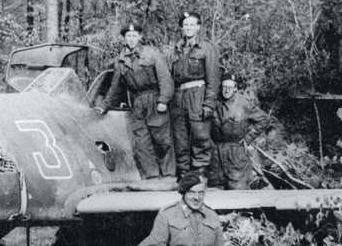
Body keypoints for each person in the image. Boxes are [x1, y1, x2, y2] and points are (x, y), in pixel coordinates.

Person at [98, 21, 175, 179]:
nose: (131, 39)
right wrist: (104, 105)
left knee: (162, 140)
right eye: (128, 36)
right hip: (137, 103)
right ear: (124, 38)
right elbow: (115, 86)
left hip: (155, 99)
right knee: (142, 143)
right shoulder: (120, 60)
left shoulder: (152, 54)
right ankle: (151, 177)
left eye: (134, 36)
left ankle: (169, 176)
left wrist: (163, 100)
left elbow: (165, 78)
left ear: (140, 36)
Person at [171, 11, 220, 180]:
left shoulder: (207, 47)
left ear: (198, 27)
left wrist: (209, 104)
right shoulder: (177, 49)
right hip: (179, 99)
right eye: (186, 25)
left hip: (198, 97)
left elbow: (213, 79)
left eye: (192, 25)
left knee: (200, 137)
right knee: (180, 138)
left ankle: (200, 176)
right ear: (182, 28)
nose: (189, 28)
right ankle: (184, 175)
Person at [209, 72, 271, 190]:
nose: (227, 90)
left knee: (238, 189)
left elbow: (264, 119)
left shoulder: (243, 103)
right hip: (216, 154)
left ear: (235, 88)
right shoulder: (213, 103)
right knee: (215, 189)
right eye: (224, 87)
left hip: (237, 154)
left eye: (230, 87)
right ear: (220, 87)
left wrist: (248, 138)